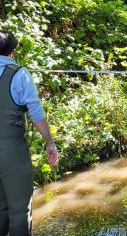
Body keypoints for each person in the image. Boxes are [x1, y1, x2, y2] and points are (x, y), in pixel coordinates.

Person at [0, 31, 59, 235]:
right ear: (12, 52)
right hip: (11, 153)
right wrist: (50, 143)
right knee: (19, 211)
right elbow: (35, 111)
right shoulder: (19, 74)